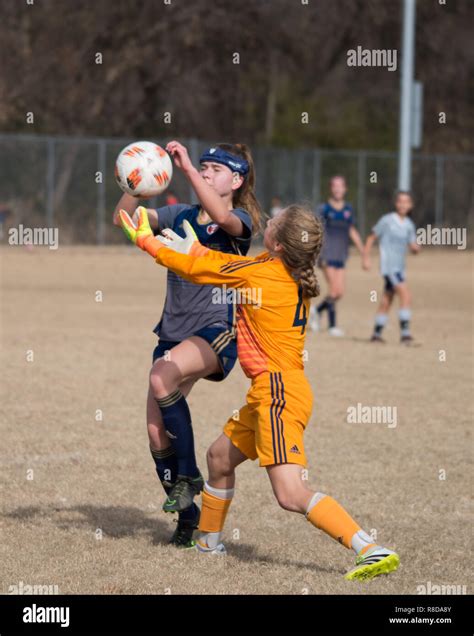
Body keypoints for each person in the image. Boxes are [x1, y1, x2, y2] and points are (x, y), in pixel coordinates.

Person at [118, 204, 401, 581]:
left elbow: (203, 270)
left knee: (289, 494)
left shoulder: (264, 274)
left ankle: (369, 547)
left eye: (273, 223)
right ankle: (208, 544)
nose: (266, 223)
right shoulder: (278, 270)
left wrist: (147, 242)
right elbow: (216, 263)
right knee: (219, 458)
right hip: (270, 391)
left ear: (280, 245)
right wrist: (191, 247)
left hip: (279, 393)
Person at [112, 141, 262, 547]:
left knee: (161, 378)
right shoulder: (179, 215)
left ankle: (190, 474)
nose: (206, 173)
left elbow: (221, 214)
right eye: (203, 167)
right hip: (173, 332)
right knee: (155, 433)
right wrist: (136, 180)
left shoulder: (239, 222)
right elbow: (123, 217)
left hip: (216, 329)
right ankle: (187, 515)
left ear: (236, 179)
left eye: (215, 169)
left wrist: (188, 172)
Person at [309, 175, 364, 336]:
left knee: (339, 292)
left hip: (341, 255)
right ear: (331, 188)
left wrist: (363, 252)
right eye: (335, 186)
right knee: (333, 290)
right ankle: (332, 326)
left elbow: (352, 230)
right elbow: (315, 229)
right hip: (326, 255)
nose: (338, 189)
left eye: (341, 186)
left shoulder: (348, 209)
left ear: (345, 189)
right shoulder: (323, 209)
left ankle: (317, 311)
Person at [363, 191, 420, 343]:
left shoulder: (409, 225)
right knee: (406, 296)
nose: (403, 204)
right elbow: (371, 237)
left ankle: (376, 334)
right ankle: (405, 335)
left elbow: (412, 245)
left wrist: (415, 248)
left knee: (387, 300)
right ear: (396, 204)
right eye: (400, 201)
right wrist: (366, 258)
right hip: (389, 267)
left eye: (406, 201)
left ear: (410, 205)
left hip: (400, 268)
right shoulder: (387, 220)